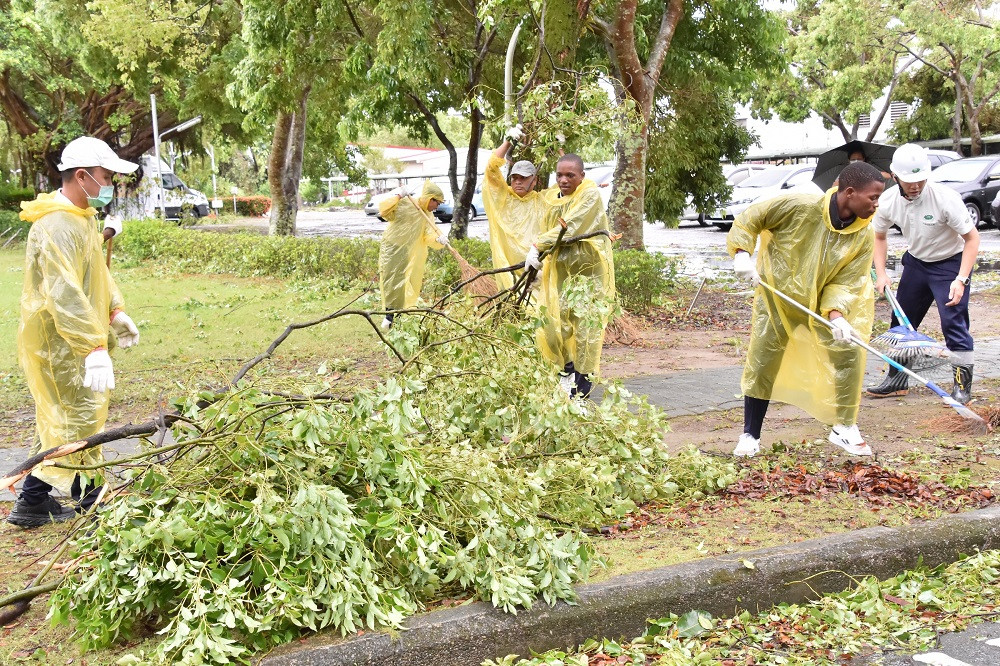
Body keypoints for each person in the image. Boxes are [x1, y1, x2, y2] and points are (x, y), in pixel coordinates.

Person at [8, 136, 140, 527]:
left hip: (75, 340)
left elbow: (94, 272)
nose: (110, 185)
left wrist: (115, 310)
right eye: (106, 176)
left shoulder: (82, 218)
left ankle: (34, 501)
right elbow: (63, 291)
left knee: (60, 418)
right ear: (81, 176)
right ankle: (90, 502)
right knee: (78, 418)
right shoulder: (55, 225)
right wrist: (92, 346)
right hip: (59, 342)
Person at [728, 161, 886, 458]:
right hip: (778, 300)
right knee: (763, 360)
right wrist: (741, 254)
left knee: (850, 353)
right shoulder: (800, 205)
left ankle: (844, 428)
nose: (877, 204)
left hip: (821, 307)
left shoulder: (864, 235)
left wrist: (837, 316)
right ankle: (750, 435)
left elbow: (847, 281)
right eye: (873, 197)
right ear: (850, 193)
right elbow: (751, 219)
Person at [867, 143, 980, 404]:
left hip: (950, 265)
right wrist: (881, 273)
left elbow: (972, 239)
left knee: (954, 324)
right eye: (909, 181)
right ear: (895, 177)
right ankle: (896, 381)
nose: (915, 186)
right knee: (901, 322)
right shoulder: (888, 201)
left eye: (920, 179)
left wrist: (961, 280)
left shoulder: (945, 198)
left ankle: (962, 388)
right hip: (917, 264)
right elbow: (879, 236)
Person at [526, 154, 615, 397]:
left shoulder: (589, 194)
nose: (563, 180)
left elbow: (570, 227)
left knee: (586, 327)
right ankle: (565, 372)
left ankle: (582, 386)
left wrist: (538, 245)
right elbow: (549, 228)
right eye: (559, 175)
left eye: (570, 175)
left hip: (588, 273)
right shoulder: (554, 197)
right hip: (561, 271)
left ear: (582, 176)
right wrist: (540, 255)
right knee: (556, 321)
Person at [482, 125, 551, 291]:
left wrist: (560, 149)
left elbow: (573, 185)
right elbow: (491, 169)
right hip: (509, 271)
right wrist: (508, 142)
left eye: (524, 178)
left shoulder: (542, 200)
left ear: (534, 181)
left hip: (536, 270)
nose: (518, 181)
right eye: (515, 178)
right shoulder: (503, 198)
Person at [378, 180, 448, 328]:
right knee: (392, 279)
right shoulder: (407, 203)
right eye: (437, 203)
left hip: (408, 250)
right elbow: (384, 211)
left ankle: (401, 313)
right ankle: (389, 315)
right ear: (430, 198)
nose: (437, 206)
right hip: (392, 247)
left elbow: (428, 234)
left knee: (407, 280)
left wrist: (438, 238)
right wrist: (398, 196)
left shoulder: (427, 215)